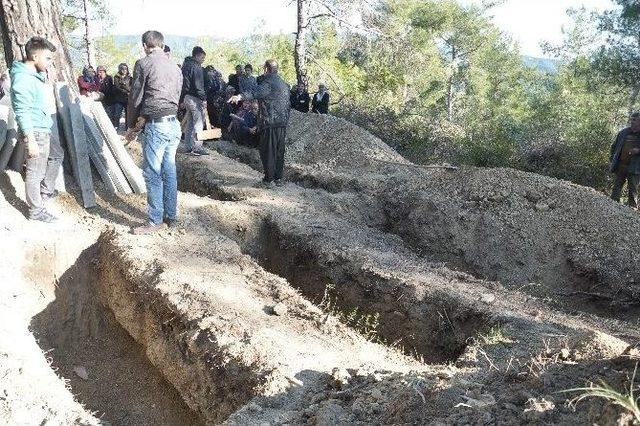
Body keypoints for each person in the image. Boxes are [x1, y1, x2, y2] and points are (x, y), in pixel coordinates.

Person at [126, 30, 183, 235]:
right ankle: (171, 216)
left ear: (144, 46)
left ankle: (155, 220)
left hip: (157, 126)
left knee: (152, 173)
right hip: (174, 124)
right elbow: (176, 95)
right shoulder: (175, 67)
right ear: (162, 44)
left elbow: (135, 97)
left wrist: (132, 126)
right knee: (169, 171)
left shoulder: (143, 64)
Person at [10, 36, 60, 223]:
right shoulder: (23, 78)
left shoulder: (34, 75)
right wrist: (30, 140)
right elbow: (22, 111)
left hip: (43, 128)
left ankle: (45, 192)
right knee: (34, 172)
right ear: (34, 56)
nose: (50, 63)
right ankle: (36, 211)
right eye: (47, 58)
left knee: (56, 155)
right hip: (35, 132)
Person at [229, 59, 290, 188]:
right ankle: (278, 178)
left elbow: (255, 92)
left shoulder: (268, 83)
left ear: (266, 69)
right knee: (279, 151)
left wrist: (239, 96)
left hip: (270, 121)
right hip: (282, 122)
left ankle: (268, 181)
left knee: (268, 151)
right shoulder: (283, 83)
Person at [180, 46, 208, 156]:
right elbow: (198, 85)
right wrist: (203, 98)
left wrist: (182, 99)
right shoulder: (196, 67)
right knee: (199, 122)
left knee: (190, 122)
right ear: (196, 56)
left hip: (186, 97)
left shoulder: (185, 65)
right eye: (202, 57)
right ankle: (197, 147)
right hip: (195, 97)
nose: (203, 60)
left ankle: (187, 146)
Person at [610, 112, 640, 208]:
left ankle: (632, 210)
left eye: (634, 120)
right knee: (617, 187)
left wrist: (638, 150)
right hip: (621, 165)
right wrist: (612, 159)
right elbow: (614, 147)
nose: (632, 121)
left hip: (635, 168)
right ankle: (612, 206)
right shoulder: (623, 132)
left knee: (633, 189)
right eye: (632, 119)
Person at [111, 63, 131, 129]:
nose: (124, 70)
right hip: (119, 99)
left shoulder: (130, 78)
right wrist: (125, 89)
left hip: (127, 99)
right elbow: (117, 87)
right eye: (122, 69)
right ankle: (116, 127)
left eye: (125, 69)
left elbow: (131, 88)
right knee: (117, 114)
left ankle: (127, 128)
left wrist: (123, 85)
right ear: (120, 69)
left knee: (128, 115)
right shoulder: (116, 77)